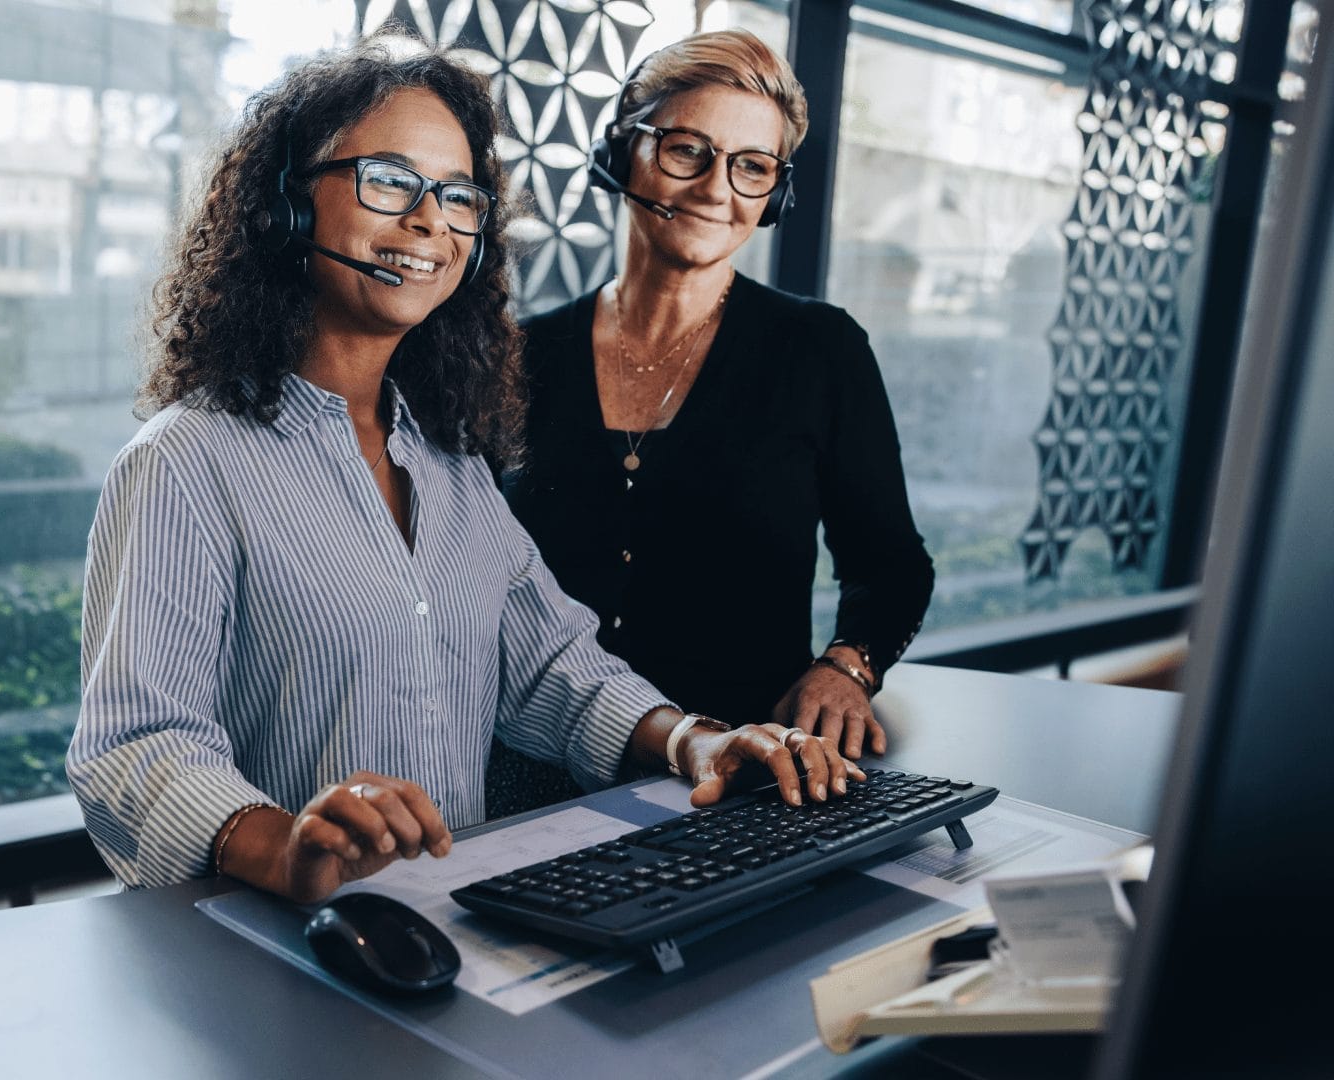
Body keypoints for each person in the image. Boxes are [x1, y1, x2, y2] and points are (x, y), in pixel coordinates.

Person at [66, 41, 864, 905]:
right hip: (275, 949)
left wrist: (695, 742)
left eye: (456, 197)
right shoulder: (185, 463)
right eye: (388, 180)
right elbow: (136, 744)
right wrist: (284, 847)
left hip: (455, 927)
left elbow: (552, 666)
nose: (428, 223)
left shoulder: (447, 461)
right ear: (291, 203)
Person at [504, 30, 934, 789]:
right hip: (536, 769)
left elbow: (892, 569)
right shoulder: (519, 356)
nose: (715, 189)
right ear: (621, 153)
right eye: (686, 150)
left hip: (749, 768)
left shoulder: (820, 350)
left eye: (752, 167)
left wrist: (846, 667)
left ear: (776, 193)